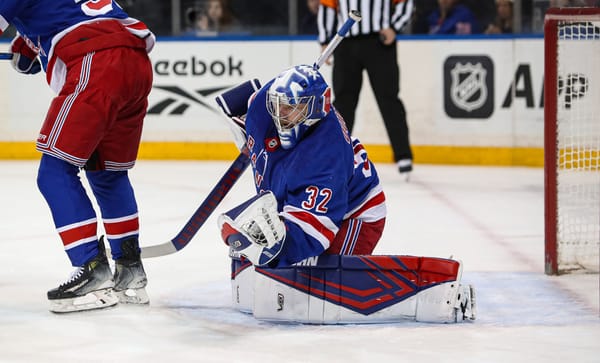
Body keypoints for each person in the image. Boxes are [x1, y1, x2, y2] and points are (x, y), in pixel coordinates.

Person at [215, 66, 476, 324]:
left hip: (356, 214)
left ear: (315, 109)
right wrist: (249, 131)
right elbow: (241, 100)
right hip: (303, 193)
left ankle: (434, 293)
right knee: (280, 271)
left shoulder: (326, 154)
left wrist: (270, 250)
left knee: (317, 280)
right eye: (278, 105)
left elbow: (311, 235)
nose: (281, 114)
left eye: (290, 108)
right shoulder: (267, 101)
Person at [0, 0, 154, 313]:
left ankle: (91, 268)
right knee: (107, 175)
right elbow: (40, 38)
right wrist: (28, 51)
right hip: (135, 61)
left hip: (95, 60)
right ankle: (129, 270)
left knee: (54, 173)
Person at [318, 0, 415, 175]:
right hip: (346, 44)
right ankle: (337, 155)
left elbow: (405, 2)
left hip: (379, 41)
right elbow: (328, 7)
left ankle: (403, 155)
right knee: (343, 102)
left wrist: (395, 27)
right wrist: (326, 41)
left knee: (388, 98)